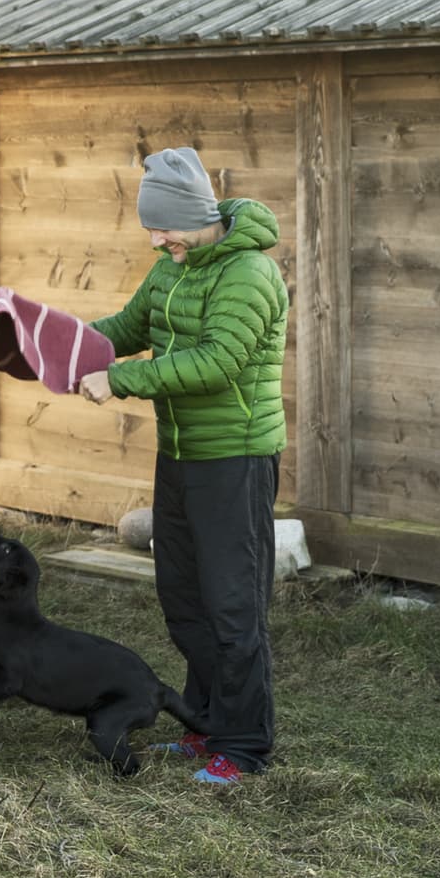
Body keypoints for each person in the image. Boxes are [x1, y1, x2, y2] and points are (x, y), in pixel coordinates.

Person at [76, 147, 290, 787]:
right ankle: (205, 723)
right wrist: (45, 342)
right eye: (150, 226)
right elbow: (124, 325)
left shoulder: (248, 274)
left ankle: (245, 746)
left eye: (163, 226)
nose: (155, 238)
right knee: (184, 599)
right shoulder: (172, 268)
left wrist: (119, 380)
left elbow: (217, 361)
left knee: (232, 607)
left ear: (196, 215)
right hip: (181, 454)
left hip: (236, 459)